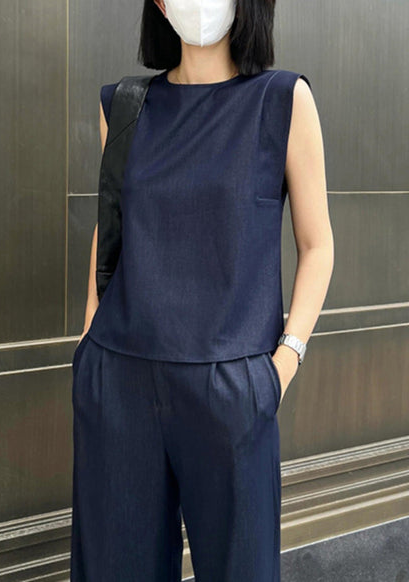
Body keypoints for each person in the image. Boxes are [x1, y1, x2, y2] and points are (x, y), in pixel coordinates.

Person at [70, 0, 334, 580]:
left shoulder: (282, 100)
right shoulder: (124, 105)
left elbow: (317, 245)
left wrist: (283, 363)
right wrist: (89, 335)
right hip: (119, 377)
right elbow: (111, 227)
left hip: (231, 384)